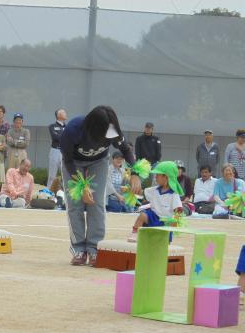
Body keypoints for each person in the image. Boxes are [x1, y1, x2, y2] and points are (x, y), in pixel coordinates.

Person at [60, 106, 141, 266]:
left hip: (98, 163)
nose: (106, 135)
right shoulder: (73, 130)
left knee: (96, 203)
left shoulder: (110, 130)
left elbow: (126, 150)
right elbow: (68, 160)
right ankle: (78, 249)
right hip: (74, 164)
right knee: (74, 204)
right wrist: (82, 186)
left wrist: (135, 173)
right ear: (93, 127)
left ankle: (94, 249)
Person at [129, 161, 183, 242]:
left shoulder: (174, 194)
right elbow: (141, 192)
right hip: (153, 216)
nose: (155, 177)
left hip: (165, 222)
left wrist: (174, 222)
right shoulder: (154, 189)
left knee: (162, 242)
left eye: (158, 175)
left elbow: (178, 210)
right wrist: (130, 189)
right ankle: (135, 233)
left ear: (166, 177)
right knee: (142, 215)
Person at [47, 108, 67, 188]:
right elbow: (55, 137)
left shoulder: (68, 127)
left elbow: (70, 138)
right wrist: (65, 136)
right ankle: (48, 192)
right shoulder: (52, 126)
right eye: (64, 113)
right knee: (52, 174)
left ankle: (64, 193)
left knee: (65, 174)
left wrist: (61, 135)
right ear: (59, 115)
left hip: (65, 152)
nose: (66, 114)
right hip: (55, 151)